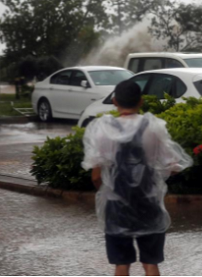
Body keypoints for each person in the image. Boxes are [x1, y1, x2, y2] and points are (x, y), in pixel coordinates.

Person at [82, 80, 193, 276]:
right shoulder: (154, 127)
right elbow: (174, 166)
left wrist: (108, 192)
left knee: (121, 263)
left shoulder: (101, 129)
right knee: (150, 262)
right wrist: (154, 178)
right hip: (148, 201)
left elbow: (96, 176)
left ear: (114, 101)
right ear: (141, 101)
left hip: (116, 205)